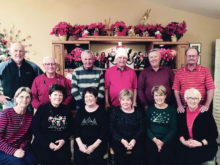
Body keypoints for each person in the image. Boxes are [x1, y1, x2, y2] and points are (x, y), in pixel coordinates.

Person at [31, 84, 74, 165]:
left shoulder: (66, 109)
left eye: (60, 95)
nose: (58, 97)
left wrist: (64, 140)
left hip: (61, 143)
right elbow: (35, 128)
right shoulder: (42, 109)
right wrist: (48, 143)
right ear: (50, 96)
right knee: (46, 160)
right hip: (44, 143)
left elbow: (71, 127)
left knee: (64, 160)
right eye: (55, 94)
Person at [177, 88, 218, 165]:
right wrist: (184, 142)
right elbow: (179, 131)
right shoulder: (181, 113)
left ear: (199, 99)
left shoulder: (205, 113)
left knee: (192, 157)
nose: (193, 101)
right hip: (186, 144)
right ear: (186, 99)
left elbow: (214, 134)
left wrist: (200, 143)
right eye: (190, 98)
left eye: (195, 98)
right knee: (176, 154)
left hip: (203, 145)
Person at [0, 42, 42, 110]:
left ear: (24, 53)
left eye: (21, 51)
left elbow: (43, 81)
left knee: (27, 121)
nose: (18, 54)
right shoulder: (2, 66)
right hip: (9, 104)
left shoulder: (33, 67)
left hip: (27, 104)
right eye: (15, 51)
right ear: (10, 52)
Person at [0, 87, 36, 165]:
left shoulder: (30, 115)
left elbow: (28, 137)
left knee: (33, 161)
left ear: (30, 100)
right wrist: (13, 151)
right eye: (21, 97)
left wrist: (21, 148)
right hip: (3, 149)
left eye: (27, 97)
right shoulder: (6, 113)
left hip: (21, 148)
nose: (24, 100)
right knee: (19, 163)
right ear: (15, 99)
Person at [172, 47, 215, 113]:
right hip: (184, 109)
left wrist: (206, 105)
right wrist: (179, 105)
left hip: (201, 109)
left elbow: (210, 89)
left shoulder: (205, 71)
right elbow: (176, 91)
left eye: (193, 56)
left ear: (197, 57)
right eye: (189, 56)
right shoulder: (179, 72)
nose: (191, 58)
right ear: (185, 57)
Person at [109, 89, 144, 165]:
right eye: (123, 100)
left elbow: (141, 128)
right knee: (120, 155)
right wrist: (122, 140)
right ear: (120, 100)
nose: (125, 102)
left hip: (135, 140)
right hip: (119, 140)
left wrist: (134, 140)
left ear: (131, 101)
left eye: (128, 100)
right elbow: (112, 129)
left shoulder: (138, 112)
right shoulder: (115, 111)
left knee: (139, 154)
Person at [74, 87, 108, 165]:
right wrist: (80, 145)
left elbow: (104, 132)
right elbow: (76, 130)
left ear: (96, 97)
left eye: (91, 96)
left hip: (97, 145)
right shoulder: (80, 111)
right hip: (81, 145)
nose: (88, 99)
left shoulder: (102, 111)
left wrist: (93, 146)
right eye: (86, 96)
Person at [146, 85, 176, 165]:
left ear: (165, 96)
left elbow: (173, 129)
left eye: (161, 95)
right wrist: (155, 140)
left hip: (167, 140)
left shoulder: (172, 110)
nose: (159, 98)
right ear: (153, 97)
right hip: (152, 140)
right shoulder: (150, 109)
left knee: (165, 158)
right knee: (151, 157)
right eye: (156, 95)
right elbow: (146, 127)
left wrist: (162, 142)